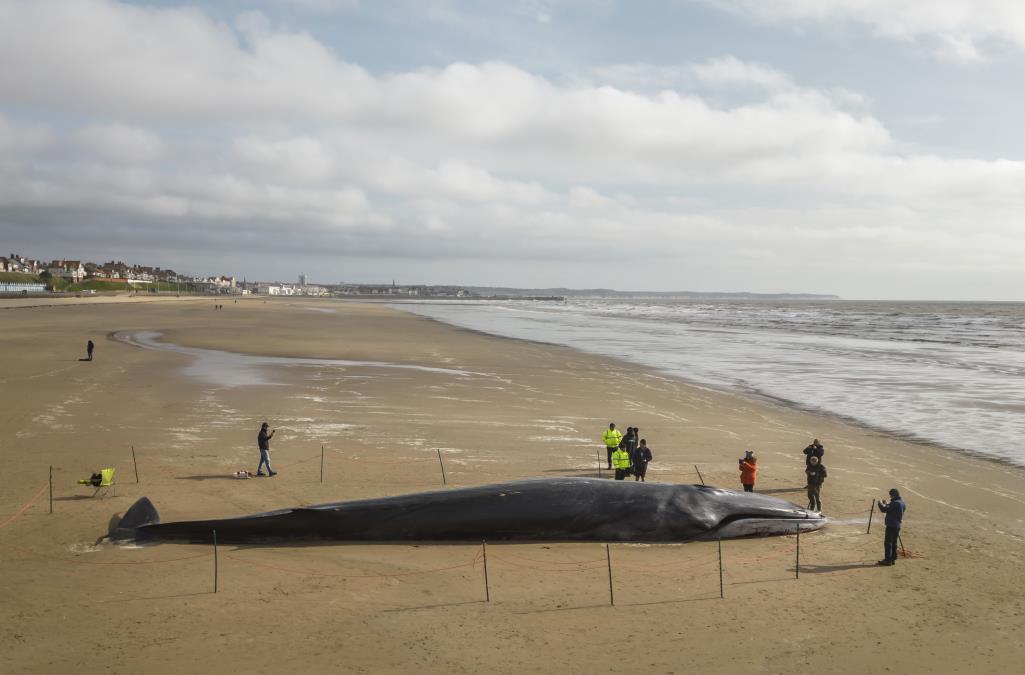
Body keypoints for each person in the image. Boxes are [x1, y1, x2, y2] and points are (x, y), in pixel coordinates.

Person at [876, 489, 907, 566]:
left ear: (893, 495)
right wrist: (886, 504)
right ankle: (893, 558)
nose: (890, 497)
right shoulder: (902, 502)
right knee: (894, 542)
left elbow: (884, 510)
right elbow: (891, 508)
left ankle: (887, 560)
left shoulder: (895, 503)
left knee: (888, 543)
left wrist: (879, 503)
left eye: (890, 495)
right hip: (897, 525)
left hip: (891, 525)